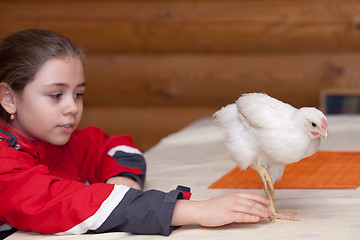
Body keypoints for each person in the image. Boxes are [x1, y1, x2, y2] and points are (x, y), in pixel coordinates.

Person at [0, 29, 272, 236]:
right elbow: (65, 202)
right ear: (9, 98)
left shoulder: (66, 140)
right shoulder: (4, 165)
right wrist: (195, 210)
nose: (72, 107)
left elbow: (117, 147)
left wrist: (122, 176)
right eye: (56, 95)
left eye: (78, 93)